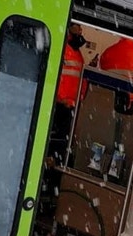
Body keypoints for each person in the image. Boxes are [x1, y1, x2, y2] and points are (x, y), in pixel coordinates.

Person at [50, 24, 87, 164]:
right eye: (78, 27)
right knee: (55, 141)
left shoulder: (77, 53)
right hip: (59, 105)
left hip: (70, 106)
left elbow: (79, 78)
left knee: (61, 142)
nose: (81, 30)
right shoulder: (62, 49)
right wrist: (59, 99)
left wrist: (79, 98)